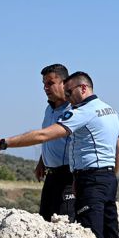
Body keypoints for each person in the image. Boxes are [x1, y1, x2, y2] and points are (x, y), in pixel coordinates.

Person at [0, 71, 119, 238]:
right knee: (111, 234)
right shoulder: (110, 111)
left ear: (83, 88)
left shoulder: (82, 112)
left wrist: (4, 143)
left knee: (89, 237)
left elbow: (42, 135)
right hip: (104, 177)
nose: (68, 97)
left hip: (88, 179)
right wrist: (109, 178)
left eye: (69, 92)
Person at [36, 64, 77, 222]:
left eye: (50, 83)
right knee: (45, 221)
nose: (46, 88)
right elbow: (48, 137)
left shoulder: (74, 110)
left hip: (68, 176)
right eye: (44, 84)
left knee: (64, 223)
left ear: (64, 83)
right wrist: (42, 161)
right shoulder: (49, 109)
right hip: (51, 176)